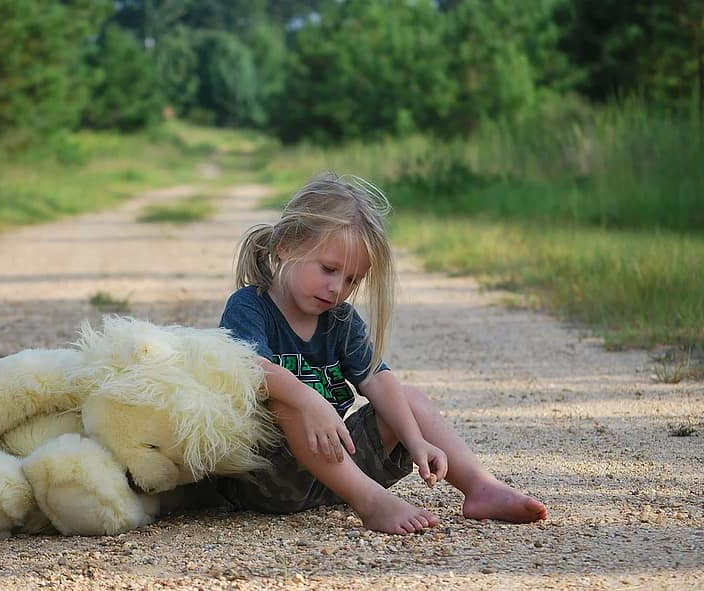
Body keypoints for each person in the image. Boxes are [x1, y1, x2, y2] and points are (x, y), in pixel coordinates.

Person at [213, 171, 547, 534]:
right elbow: (249, 367)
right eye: (328, 269)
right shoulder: (250, 306)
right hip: (266, 477)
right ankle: (371, 503)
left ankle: (481, 487)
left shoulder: (339, 319)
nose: (337, 288)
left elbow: (376, 377)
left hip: (337, 470)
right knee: (285, 402)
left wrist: (416, 439)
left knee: (408, 399)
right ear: (287, 246)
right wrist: (308, 400)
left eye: (352, 280)